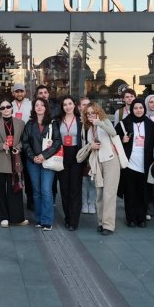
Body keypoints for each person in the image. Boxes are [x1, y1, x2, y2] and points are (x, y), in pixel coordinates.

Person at [21, 98, 61, 230]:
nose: (39, 107)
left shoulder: (52, 123)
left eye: (42, 105)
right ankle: (38, 218)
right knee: (36, 191)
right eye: (36, 105)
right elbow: (25, 142)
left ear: (46, 108)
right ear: (34, 108)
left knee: (46, 190)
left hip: (48, 160)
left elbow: (57, 142)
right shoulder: (29, 124)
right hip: (32, 162)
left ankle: (47, 220)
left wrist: (44, 155)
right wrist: (33, 157)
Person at [0, 98, 28, 227]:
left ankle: (17, 217)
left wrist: (19, 147)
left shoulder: (21, 123)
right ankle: (2, 217)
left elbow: (24, 140)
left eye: (8, 107)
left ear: (12, 108)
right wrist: (1, 146)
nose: (5, 110)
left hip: (15, 160)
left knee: (15, 189)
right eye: (2, 107)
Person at [118, 98, 154, 228]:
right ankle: (131, 219)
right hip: (129, 163)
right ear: (132, 109)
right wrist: (122, 140)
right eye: (135, 108)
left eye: (140, 108)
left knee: (143, 192)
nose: (138, 110)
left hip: (145, 164)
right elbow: (114, 139)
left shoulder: (150, 124)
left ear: (144, 109)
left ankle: (142, 218)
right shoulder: (125, 123)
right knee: (130, 192)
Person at [82, 102, 120, 235]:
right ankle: (100, 222)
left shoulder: (104, 121)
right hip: (97, 162)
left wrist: (99, 123)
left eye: (93, 113)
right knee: (99, 194)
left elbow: (113, 132)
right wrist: (91, 146)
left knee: (109, 194)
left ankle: (108, 225)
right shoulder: (88, 127)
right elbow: (88, 143)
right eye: (88, 114)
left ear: (98, 112)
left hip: (111, 160)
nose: (91, 116)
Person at [56, 95, 83, 231]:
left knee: (75, 190)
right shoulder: (58, 121)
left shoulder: (80, 121)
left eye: (70, 104)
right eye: (65, 104)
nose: (67, 107)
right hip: (62, 156)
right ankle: (67, 217)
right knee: (65, 189)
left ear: (74, 105)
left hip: (76, 156)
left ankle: (74, 220)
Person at [78, 97, 96, 214]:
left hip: (93, 154)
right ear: (79, 107)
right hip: (82, 154)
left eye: (88, 105)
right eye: (83, 105)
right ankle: (84, 203)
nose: (86, 107)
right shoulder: (77, 121)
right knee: (83, 181)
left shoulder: (94, 121)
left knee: (93, 180)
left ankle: (92, 203)